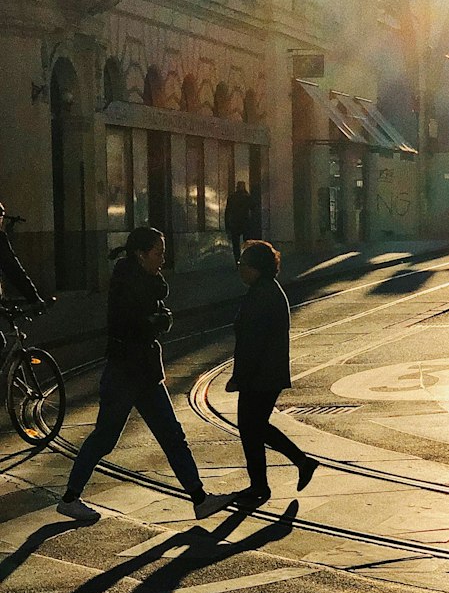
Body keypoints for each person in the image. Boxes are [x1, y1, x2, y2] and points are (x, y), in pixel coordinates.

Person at [56, 227, 232, 524]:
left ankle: (200, 499)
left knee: (172, 436)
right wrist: (161, 320)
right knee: (105, 438)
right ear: (140, 254)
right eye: (158, 253)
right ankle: (70, 498)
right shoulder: (127, 282)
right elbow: (135, 323)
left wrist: (158, 317)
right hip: (125, 371)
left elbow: (154, 309)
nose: (163, 259)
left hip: (145, 372)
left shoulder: (144, 278)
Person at [225, 240, 318, 507]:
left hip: (260, 376)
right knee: (256, 427)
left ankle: (261, 485)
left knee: (250, 428)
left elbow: (251, 343)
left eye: (243, 265)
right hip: (268, 373)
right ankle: (298, 463)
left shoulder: (261, 295)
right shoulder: (265, 290)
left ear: (255, 268)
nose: (240, 270)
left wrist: (239, 377)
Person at [224, 180, 253, 266]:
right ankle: (246, 261)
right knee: (246, 243)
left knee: (235, 245)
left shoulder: (232, 197)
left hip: (234, 223)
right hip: (245, 223)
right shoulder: (247, 197)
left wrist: (227, 226)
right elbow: (253, 207)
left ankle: (238, 262)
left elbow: (227, 212)